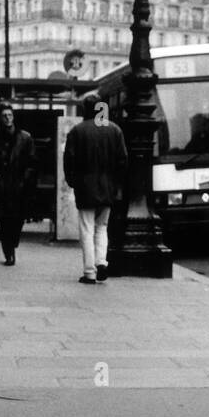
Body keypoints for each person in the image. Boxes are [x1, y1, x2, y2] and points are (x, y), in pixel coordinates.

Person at [63, 92, 128, 284]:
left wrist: (73, 181)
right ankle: (102, 262)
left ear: (85, 109)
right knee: (102, 228)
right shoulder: (114, 130)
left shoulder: (77, 131)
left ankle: (89, 272)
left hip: (85, 188)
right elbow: (123, 161)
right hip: (108, 188)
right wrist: (116, 184)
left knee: (87, 228)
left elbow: (69, 161)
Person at [0, 104, 37, 266]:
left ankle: (12, 243)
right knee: (3, 221)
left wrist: (25, 180)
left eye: (10, 115)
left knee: (18, 219)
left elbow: (32, 162)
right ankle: (9, 252)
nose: (8, 118)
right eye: (4, 115)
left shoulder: (25, 137)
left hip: (19, 185)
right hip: (2, 185)